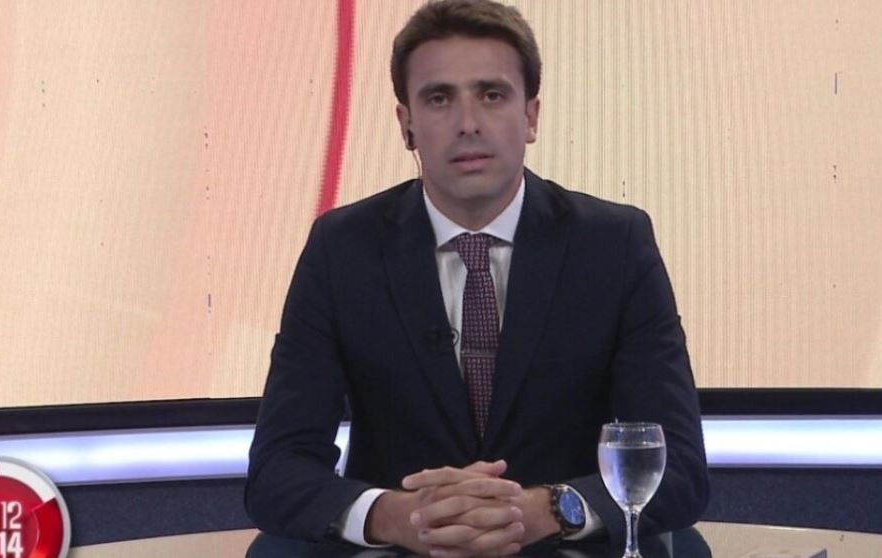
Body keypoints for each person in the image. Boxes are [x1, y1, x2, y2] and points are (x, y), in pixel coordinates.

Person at [245, 1, 708, 555]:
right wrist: (395, 515)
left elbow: (678, 466)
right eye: (439, 99)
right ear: (406, 124)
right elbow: (277, 468)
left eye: (491, 95)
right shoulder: (342, 250)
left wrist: (545, 509)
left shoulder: (614, 245)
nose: (468, 123)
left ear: (531, 116)